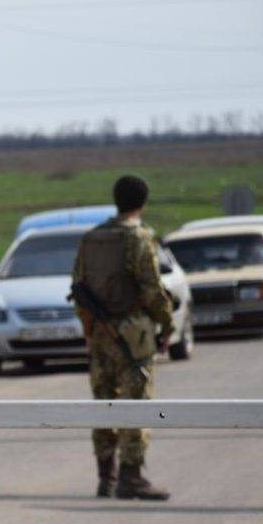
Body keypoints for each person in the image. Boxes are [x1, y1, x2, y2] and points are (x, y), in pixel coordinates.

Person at [72, 175, 174, 501]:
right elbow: (152, 289)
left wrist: (90, 330)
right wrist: (167, 323)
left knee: (103, 403)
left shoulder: (91, 239)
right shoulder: (139, 238)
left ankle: (106, 477)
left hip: (100, 334)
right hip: (134, 335)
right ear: (142, 203)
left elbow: (78, 285)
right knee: (137, 403)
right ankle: (131, 476)